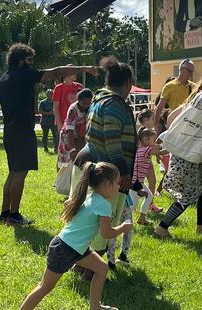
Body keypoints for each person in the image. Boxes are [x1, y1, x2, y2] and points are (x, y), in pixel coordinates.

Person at [0, 44, 100, 225]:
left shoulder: (4, 78)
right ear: (21, 59)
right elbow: (57, 71)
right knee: (20, 173)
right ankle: (14, 215)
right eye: (29, 60)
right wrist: (85, 68)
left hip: (10, 130)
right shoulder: (25, 75)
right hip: (23, 131)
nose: (31, 64)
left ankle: (4, 213)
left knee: (13, 171)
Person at [20, 162, 130, 310]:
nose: (119, 186)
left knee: (101, 269)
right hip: (65, 249)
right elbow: (106, 233)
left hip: (76, 247)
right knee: (45, 287)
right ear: (107, 184)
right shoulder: (104, 205)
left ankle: (95, 307)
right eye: (117, 183)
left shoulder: (89, 196)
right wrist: (123, 228)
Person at [73, 57, 137, 258]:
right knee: (101, 226)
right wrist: (124, 173)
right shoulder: (113, 105)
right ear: (127, 83)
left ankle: (85, 268)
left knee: (83, 222)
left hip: (90, 165)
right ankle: (91, 272)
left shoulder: (99, 99)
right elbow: (112, 143)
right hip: (104, 174)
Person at [154, 72, 202, 239]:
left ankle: (201, 224)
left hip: (192, 152)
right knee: (187, 195)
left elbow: (171, 117)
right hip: (188, 155)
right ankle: (162, 227)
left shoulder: (194, 98)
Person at [58, 89, 94, 197]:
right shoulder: (73, 109)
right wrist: (73, 149)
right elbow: (70, 131)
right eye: (84, 103)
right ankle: (67, 188)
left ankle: (80, 188)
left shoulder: (90, 107)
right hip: (69, 138)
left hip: (81, 137)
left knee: (82, 162)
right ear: (79, 101)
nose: (86, 106)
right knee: (68, 162)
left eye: (88, 103)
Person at [154, 59, 196, 133]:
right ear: (182, 70)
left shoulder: (194, 87)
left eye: (192, 72)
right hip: (175, 122)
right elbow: (160, 107)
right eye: (189, 71)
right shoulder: (169, 86)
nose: (191, 74)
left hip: (190, 123)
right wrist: (156, 124)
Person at [131, 128, 162, 225]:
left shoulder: (141, 149)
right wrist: (171, 149)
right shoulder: (146, 150)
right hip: (135, 183)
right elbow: (159, 151)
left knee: (149, 196)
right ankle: (125, 221)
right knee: (133, 204)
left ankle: (142, 218)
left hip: (138, 181)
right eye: (153, 140)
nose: (155, 142)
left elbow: (157, 148)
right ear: (145, 140)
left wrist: (159, 147)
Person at [38, 89, 57, 154]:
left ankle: (56, 148)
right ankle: (45, 148)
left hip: (54, 122)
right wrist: (48, 113)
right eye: (49, 94)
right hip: (45, 122)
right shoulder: (42, 102)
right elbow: (40, 111)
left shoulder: (55, 102)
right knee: (45, 135)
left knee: (55, 135)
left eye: (52, 94)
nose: (51, 95)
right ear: (47, 94)